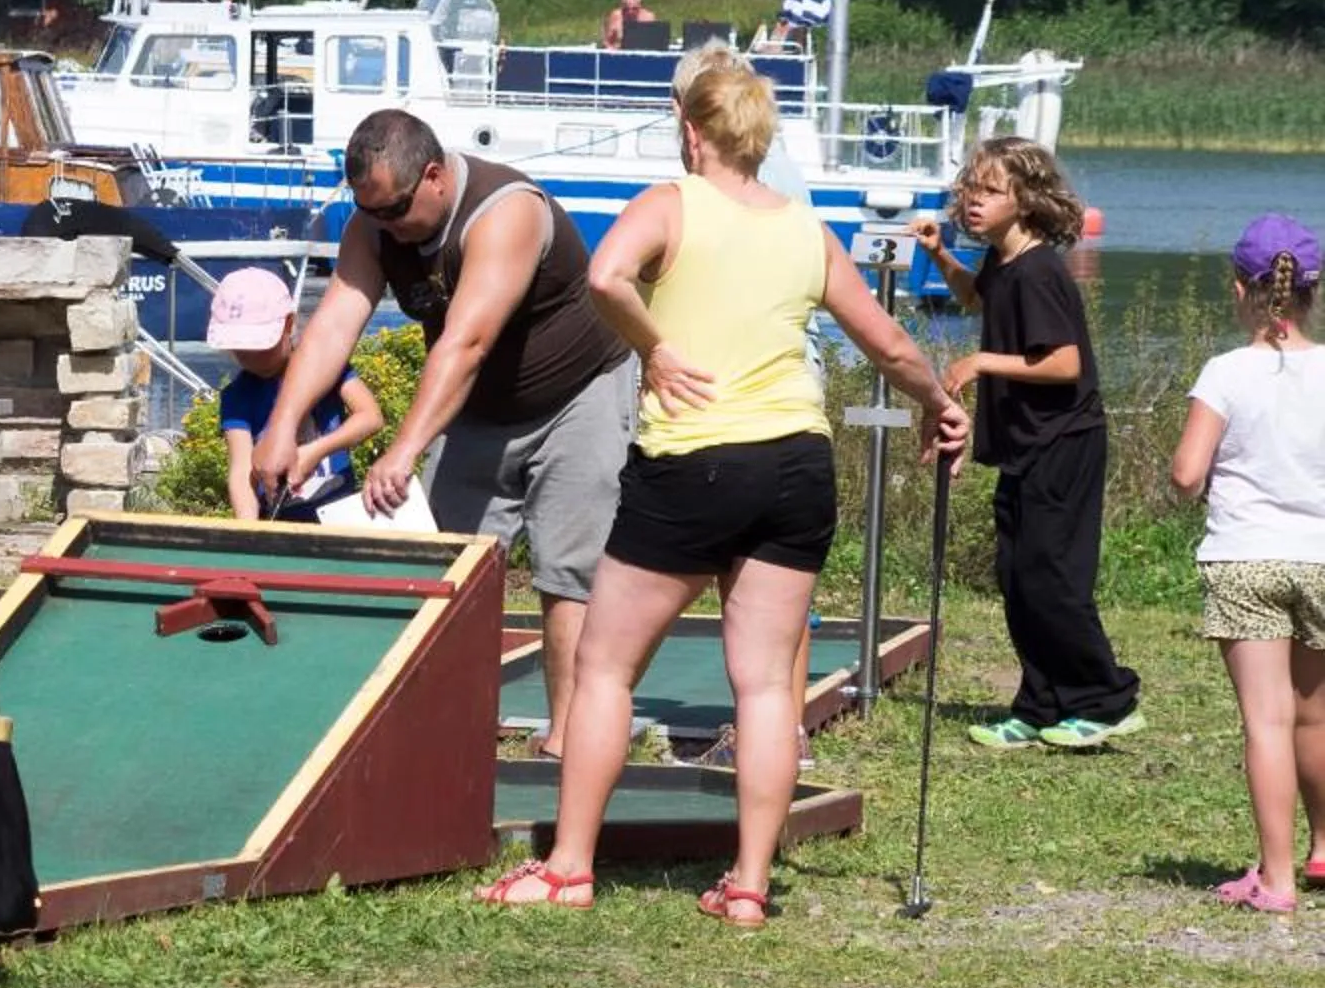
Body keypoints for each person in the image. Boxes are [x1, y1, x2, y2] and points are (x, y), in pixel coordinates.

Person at [479, 58, 967, 922]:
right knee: (767, 685)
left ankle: (567, 867)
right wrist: (941, 402)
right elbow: (889, 343)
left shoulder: (672, 201)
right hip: (796, 464)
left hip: (696, 461)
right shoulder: (808, 232)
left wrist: (656, 349)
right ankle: (747, 886)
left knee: (603, 667)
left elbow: (604, 278)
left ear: (692, 132)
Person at [254, 110, 636, 754]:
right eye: (368, 210)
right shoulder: (375, 226)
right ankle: (446, 737)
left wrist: (404, 450)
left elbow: (467, 342)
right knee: (447, 567)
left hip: (578, 394)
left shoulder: (505, 212)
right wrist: (281, 425)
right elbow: (334, 325)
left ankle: (566, 744)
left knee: (568, 573)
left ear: (433, 177)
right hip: (479, 410)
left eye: (395, 210)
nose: (384, 225)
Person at [917, 137, 1140, 749]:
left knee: (1051, 577)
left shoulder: (1040, 270)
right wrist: (940, 257)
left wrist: (981, 362)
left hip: (1065, 443)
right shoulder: (1005, 262)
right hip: (1026, 445)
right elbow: (977, 297)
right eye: (969, 189)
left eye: (989, 191)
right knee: (1016, 575)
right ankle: (1039, 705)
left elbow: (1065, 364)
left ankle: (1107, 697)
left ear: (1026, 199)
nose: (972, 201)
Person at [1168, 214, 1325, 913]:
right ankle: (1322, 851)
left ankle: (1277, 880)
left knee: (1265, 723)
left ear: (1240, 290)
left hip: (1245, 560)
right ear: (1312, 291)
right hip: (1321, 559)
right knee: (1314, 720)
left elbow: (1185, 473)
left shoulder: (1225, 372)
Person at [206, 268, 381, 522]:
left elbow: (370, 417)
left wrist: (315, 451)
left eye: (260, 347)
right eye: (241, 350)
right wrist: (248, 530)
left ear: (289, 324)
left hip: (338, 518)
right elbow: (241, 471)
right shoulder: (237, 396)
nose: (252, 358)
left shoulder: (324, 367)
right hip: (280, 524)